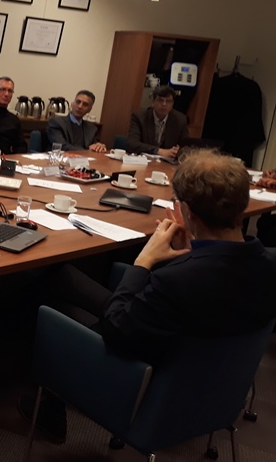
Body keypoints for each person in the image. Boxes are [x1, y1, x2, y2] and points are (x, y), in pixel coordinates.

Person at [23, 149, 276, 443]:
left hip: (146, 385)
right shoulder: (268, 264)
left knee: (57, 311)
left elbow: (116, 327)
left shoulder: (179, 280)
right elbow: (204, 292)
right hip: (216, 387)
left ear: (187, 211)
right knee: (63, 277)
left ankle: (48, 406)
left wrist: (144, 260)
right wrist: (191, 253)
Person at [126, 85, 189, 160]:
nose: (164, 104)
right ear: (153, 102)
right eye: (160, 100)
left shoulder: (180, 120)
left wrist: (178, 151)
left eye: (168, 101)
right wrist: (158, 151)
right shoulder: (140, 117)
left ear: (172, 104)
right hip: (143, 160)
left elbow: (187, 147)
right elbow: (132, 144)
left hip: (167, 163)